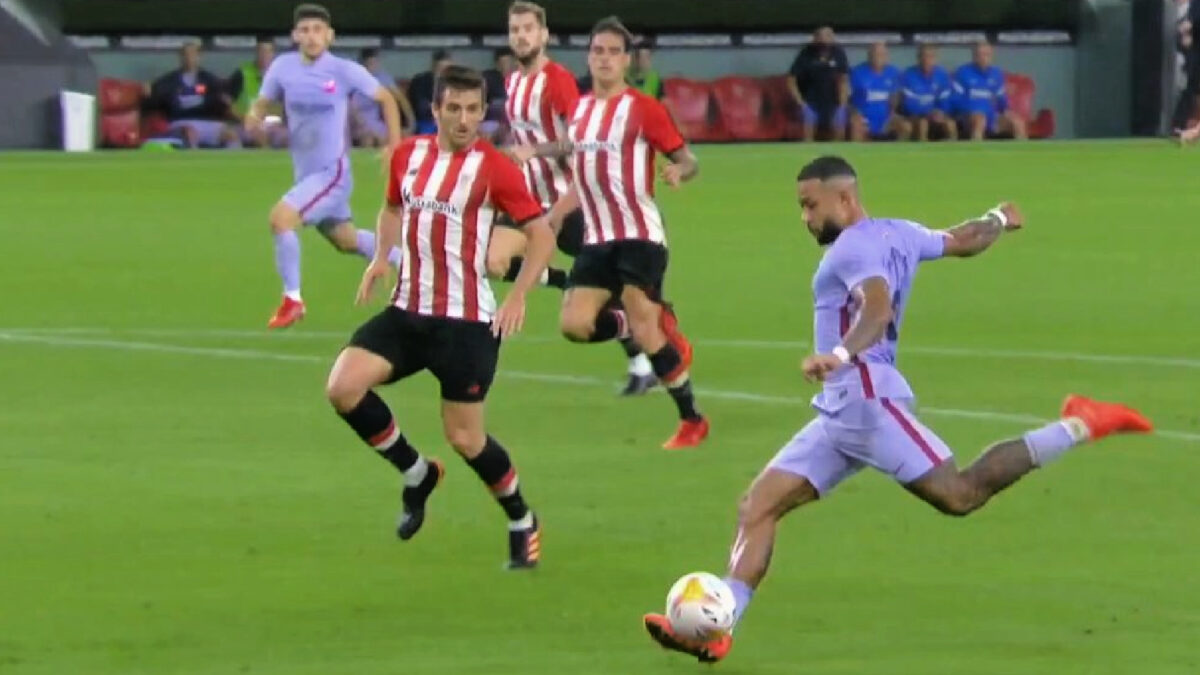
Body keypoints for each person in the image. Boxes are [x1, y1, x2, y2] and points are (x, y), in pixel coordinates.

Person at [640, 155, 1154, 663]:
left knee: (960, 493)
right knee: (758, 508)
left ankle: (1081, 423)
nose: (805, 218)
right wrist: (998, 219)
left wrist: (838, 353)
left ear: (845, 198)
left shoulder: (850, 250)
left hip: (868, 403)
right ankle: (720, 627)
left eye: (810, 205)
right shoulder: (899, 232)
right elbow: (961, 239)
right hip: (840, 413)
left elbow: (877, 307)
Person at [325, 65, 555, 570]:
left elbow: (541, 234)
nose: (465, 119)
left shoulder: (494, 168)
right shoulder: (408, 156)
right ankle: (415, 473)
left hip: (466, 324)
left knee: (466, 439)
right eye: (455, 108)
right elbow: (390, 209)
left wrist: (518, 296)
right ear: (436, 111)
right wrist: (380, 258)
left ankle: (520, 518)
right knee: (343, 388)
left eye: (474, 109)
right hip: (409, 312)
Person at [525, 17, 709, 448]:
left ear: (626, 60)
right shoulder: (583, 111)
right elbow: (584, 174)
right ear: (588, 58)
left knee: (646, 329)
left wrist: (679, 172)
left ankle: (692, 419)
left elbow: (689, 159)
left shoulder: (643, 108)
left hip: (639, 234)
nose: (604, 59)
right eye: (597, 52)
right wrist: (554, 215)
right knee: (574, 324)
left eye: (612, 52)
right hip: (597, 237)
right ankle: (644, 319)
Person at [492, 1, 656, 396]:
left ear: (544, 35)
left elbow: (579, 141)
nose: (521, 36)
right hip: (530, 200)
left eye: (529, 29)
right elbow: (523, 139)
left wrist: (537, 151)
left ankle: (643, 360)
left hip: (573, 200)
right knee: (492, 260)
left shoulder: (557, 81)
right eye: (515, 30)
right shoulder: (513, 81)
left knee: (613, 290)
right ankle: (564, 280)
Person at [243, 3, 404, 329]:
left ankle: (293, 300)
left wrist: (394, 145)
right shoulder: (283, 67)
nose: (312, 36)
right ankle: (413, 262)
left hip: (332, 174)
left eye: (318, 30)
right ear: (295, 35)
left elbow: (385, 98)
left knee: (280, 220)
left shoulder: (341, 69)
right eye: (305, 31)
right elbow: (261, 104)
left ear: (330, 36)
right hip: (306, 174)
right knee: (345, 240)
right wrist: (253, 118)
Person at [147, 42, 240, 149]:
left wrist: (226, 102)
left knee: (231, 135)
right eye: (186, 55)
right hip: (181, 121)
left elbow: (223, 98)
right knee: (190, 133)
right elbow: (155, 97)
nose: (189, 58)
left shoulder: (210, 79)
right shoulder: (168, 81)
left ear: (199, 57)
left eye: (193, 55)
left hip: (207, 121)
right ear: (180, 57)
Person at [953, 41, 1027, 141]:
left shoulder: (997, 73)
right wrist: (972, 110)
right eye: (980, 54)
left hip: (992, 116)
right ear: (974, 56)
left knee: (1017, 122)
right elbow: (956, 101)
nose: (983, 58)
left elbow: (1001, 99)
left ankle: (1022, 155)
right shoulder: (962, 72)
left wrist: (1006, 110)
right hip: (969, 117)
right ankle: (976, 154)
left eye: (987, 54)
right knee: (980, 120)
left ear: (992, 56)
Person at [787, 27, 850, 142]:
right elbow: (791, 80)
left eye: (827, 36)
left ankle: (836, 155)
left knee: (839, 123)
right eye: (820, 36)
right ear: (815, 39)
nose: (824, 40)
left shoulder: (838, 53)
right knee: (808, 122)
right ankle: (807, 154)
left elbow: (843, 80)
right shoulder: (806, 53)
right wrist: (802, 104)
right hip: (810, 101)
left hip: (832, 101)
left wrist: (842, 105)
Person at [227, 37, 288, 148]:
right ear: (256, 52)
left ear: (273, 54)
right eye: (261, 51)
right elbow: (227, 102)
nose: (264, 55)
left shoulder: (280, 76)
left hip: (272, 125)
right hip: (245, 124)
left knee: (289, 138)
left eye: (268, 51)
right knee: (258, 137)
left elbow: (284, 106)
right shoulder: (243, 73)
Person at [350, 47, 416, 147]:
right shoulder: (353, 78)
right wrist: (366, 128)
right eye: (369, 63)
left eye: (375, 63)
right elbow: (351, 108)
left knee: (390, 138)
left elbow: (401, 99)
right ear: (362, 64)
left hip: (375, 122)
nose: (373, 67)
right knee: (368, 140)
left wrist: (411, 123)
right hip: (355, 121)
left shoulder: (382, 77)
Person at [848, 41, 910, 141]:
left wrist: (892, 112)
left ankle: (898, 154)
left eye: (882, 54)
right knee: (856, 124)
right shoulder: (857, 72)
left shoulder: (894, 72)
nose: (878, 57)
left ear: (887, 56)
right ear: (869, 55)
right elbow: (849, 99)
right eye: (875, 54)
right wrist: (856, 113)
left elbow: (894, 96)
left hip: (886, 117)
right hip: (863, 116)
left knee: (905, 126)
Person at [901, 43, 958, 141]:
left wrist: (940, 112)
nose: (927, 59)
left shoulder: (942, 75)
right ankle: (922, 152)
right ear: (918, 58)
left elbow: (946, 101)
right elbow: (909, 104)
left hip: (937, 116)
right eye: (924, 56)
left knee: (950, 124)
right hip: (917, 116)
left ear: (935, 59)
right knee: (923, 123)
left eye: (930, 56)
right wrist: (927, 113)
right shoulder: (908, 75)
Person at [407, 50, 453, 135]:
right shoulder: (420, 81)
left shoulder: (455, 82)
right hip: (426, 121)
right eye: (440, 68)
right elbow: (421, 107)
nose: (444, 72)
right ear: (433, 66)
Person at [481, 46, 515, 141]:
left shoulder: (521, 79)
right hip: (492, 122)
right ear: (497, 65)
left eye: (509, 62)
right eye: (503, 63)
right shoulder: (489, 79)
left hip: (514, 124)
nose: (507, 67)